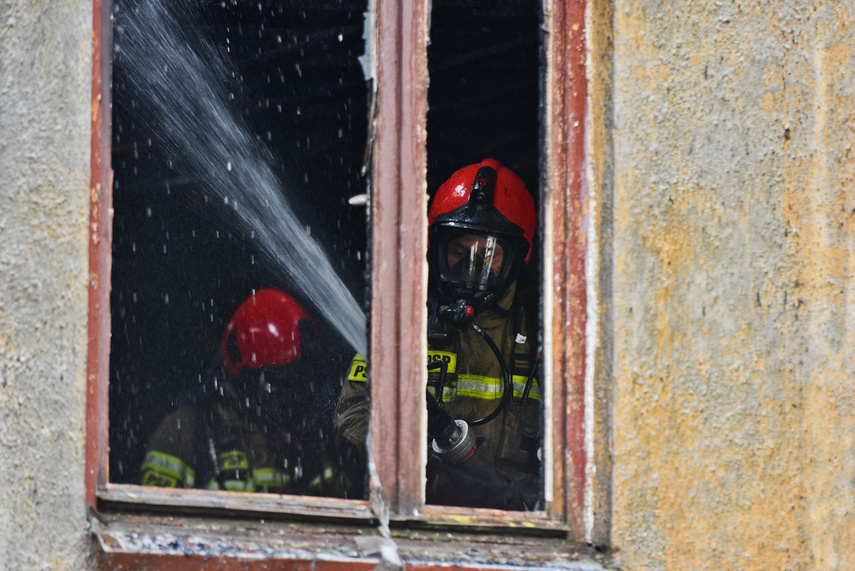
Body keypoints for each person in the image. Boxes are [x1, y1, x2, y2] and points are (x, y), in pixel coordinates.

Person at [334, 158, 542, 510]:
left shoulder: (547, 334)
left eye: (488, 254)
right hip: (423, 518)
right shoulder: (403, 323)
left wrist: (537, 493)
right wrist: (427, 474)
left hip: (516, 524)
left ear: (517, 259)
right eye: (459, 251)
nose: (472, 267)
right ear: (439, 250)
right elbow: (352, 416)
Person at [140, 288, 353, 496]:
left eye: (299, 382)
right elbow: (153, 517)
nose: (293, 396)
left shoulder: (310, 438)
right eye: (281, 382)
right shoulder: (183, 433)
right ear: (247, 377)